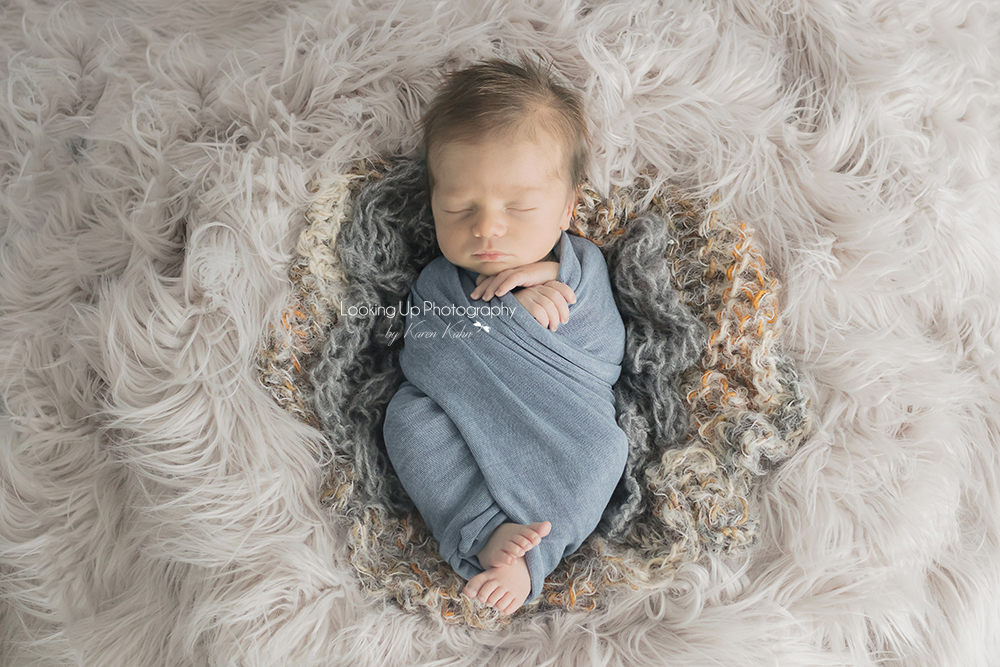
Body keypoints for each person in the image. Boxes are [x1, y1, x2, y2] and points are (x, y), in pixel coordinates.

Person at [382, 57, 628, 616]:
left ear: (567, 208)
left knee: (603, 454)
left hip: (565, 428)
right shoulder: (439, 281)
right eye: (459, 207)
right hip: (461, 431)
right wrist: (507, 313)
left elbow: (604, 355)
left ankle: (531, 560)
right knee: (408, 423)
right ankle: (483, 531)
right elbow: (426, 353)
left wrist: (551, 279)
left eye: (518, 208)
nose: (487, 227)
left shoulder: (582, 270)